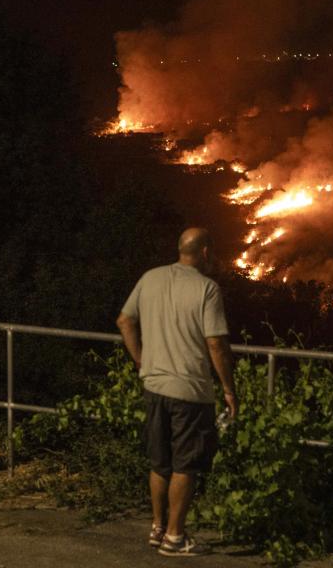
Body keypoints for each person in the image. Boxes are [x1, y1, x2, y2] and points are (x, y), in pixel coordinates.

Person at [117, 228, 237, 558]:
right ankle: (175, 537)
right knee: (186, 465)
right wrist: (229, 389)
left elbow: (124, 320)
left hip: (154, 386)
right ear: (205, 252)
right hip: (190, 391)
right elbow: (215, 343)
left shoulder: (150, 278)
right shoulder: (207, 289)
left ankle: (157, 527)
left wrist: (142, 360)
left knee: (160, 463)